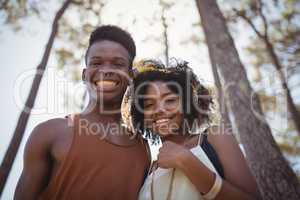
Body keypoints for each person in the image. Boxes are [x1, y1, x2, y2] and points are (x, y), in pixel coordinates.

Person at [14, 25, 150, 200]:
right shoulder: (49, 132)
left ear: (130, 76)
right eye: (96, 63)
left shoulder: (143, 149)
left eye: (117, 64)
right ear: (85, 75)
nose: (106, 70)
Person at [126, 59, 260, 200]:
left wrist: (186, 160)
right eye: (148, 104)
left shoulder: (214, 138)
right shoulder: (148, 170)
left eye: (170, 100)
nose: (159, 110)